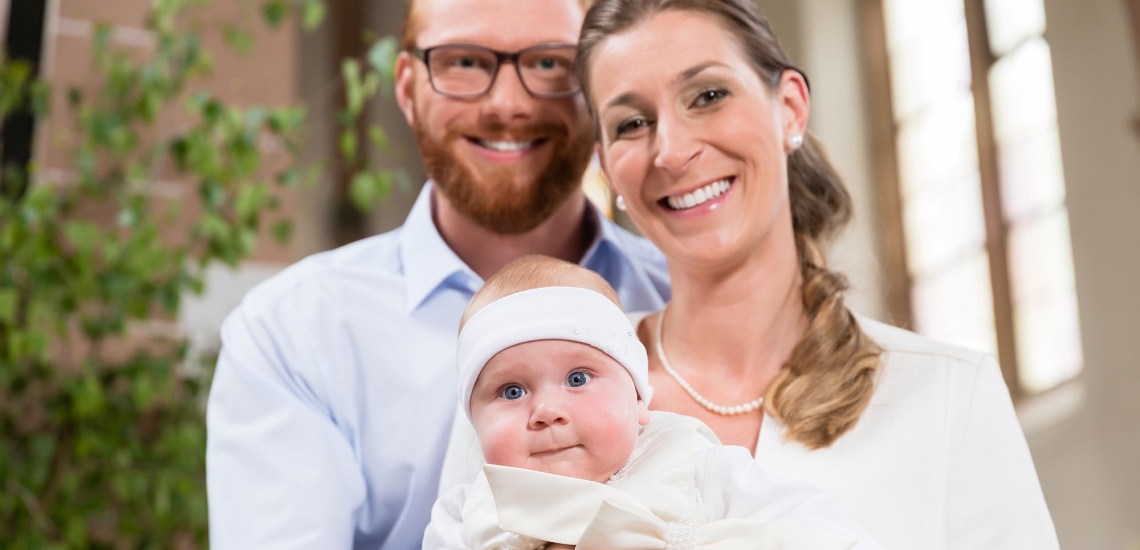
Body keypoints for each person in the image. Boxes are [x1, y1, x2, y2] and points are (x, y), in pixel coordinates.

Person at [439, 0, 1061, 548]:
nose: (673, 150)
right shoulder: (521, 375)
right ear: (606, 168)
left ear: (789, 107)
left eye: (707, 95)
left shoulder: (951, 397)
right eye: (632, 123)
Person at [204, 0, 669, 548]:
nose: (507, 103)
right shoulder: (293, 331)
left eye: (550, 64)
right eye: (464, 61)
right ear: (407, 86)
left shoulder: (682, 295)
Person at [424, 255, 880, 550]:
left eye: (577, 378)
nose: (547, 411)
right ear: (474, 422)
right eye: (512, 391)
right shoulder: (465, 516)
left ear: (640, 399)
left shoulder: (693, 464)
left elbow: (824, 533)